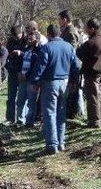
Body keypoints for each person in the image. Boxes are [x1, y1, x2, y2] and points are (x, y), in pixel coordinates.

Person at [30, 24, 81, 154]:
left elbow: (40, 67)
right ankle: (61, 142)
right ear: (59, 33)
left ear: (48, 34)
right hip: (65, 82)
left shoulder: (46, 48)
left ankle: (52, 144)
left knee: (49, 113)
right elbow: (76, 65)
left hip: (50, 83)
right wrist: (74, 81)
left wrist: (35, 81)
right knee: (61, 113)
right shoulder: (69, 47)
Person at [77, 18, 101, 128]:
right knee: (98, 96)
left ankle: (94, 122)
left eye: (87, 28)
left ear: (92, 29)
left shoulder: (91, 42)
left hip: (92, 73)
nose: (86, 30)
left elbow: (79, 53)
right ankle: (99, 119)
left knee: (92, 97)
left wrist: (81, 42)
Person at [18, 32, 42, 126]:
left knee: (31, 102)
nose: (29, 40)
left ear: (37, 40)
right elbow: (22, 61)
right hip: (22, 79)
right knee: (20, 100)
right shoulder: (27, 48)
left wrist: (27, 75)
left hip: (32, 80)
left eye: (31, 39)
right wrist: (19, 72)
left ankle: (29, 122)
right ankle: (20, 120)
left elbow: (37, 66)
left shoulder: (40, 50)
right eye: (28, 39)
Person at [5, 26, 26, 123]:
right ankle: (10, 118)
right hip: (12, 70)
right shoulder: (10, 41)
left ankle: (21, 118)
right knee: (11, 96)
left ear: (21, 33)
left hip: (23, 71)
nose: (16, 37)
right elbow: (7, 54)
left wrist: (20, 53)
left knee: (22, 97)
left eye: (17, 35)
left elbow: (29, 54)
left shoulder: (26, 40)